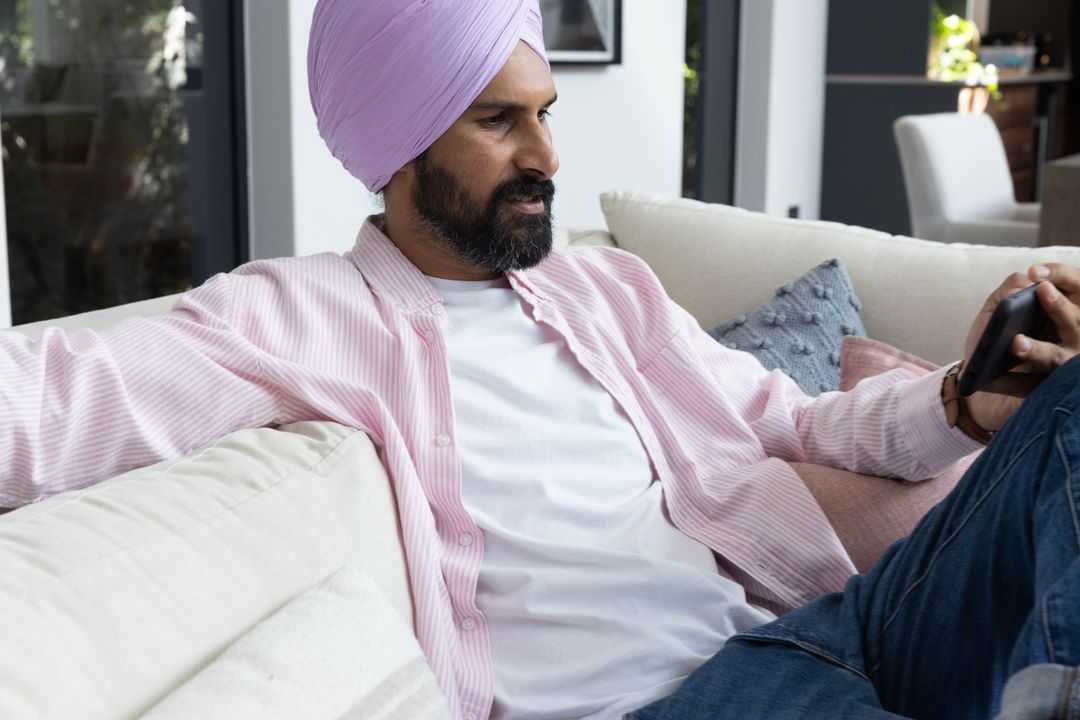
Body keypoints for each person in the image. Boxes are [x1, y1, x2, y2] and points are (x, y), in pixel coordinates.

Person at [0, 1, 1077, 718]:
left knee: (1070, 401)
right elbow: (41, 408)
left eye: (547, 115)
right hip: (690, 698)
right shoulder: (294, 315)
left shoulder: (601, 289)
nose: (548, 157)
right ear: (400, 146)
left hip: (829, 624)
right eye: (499, 121)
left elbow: (793, 421)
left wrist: (962, 400)